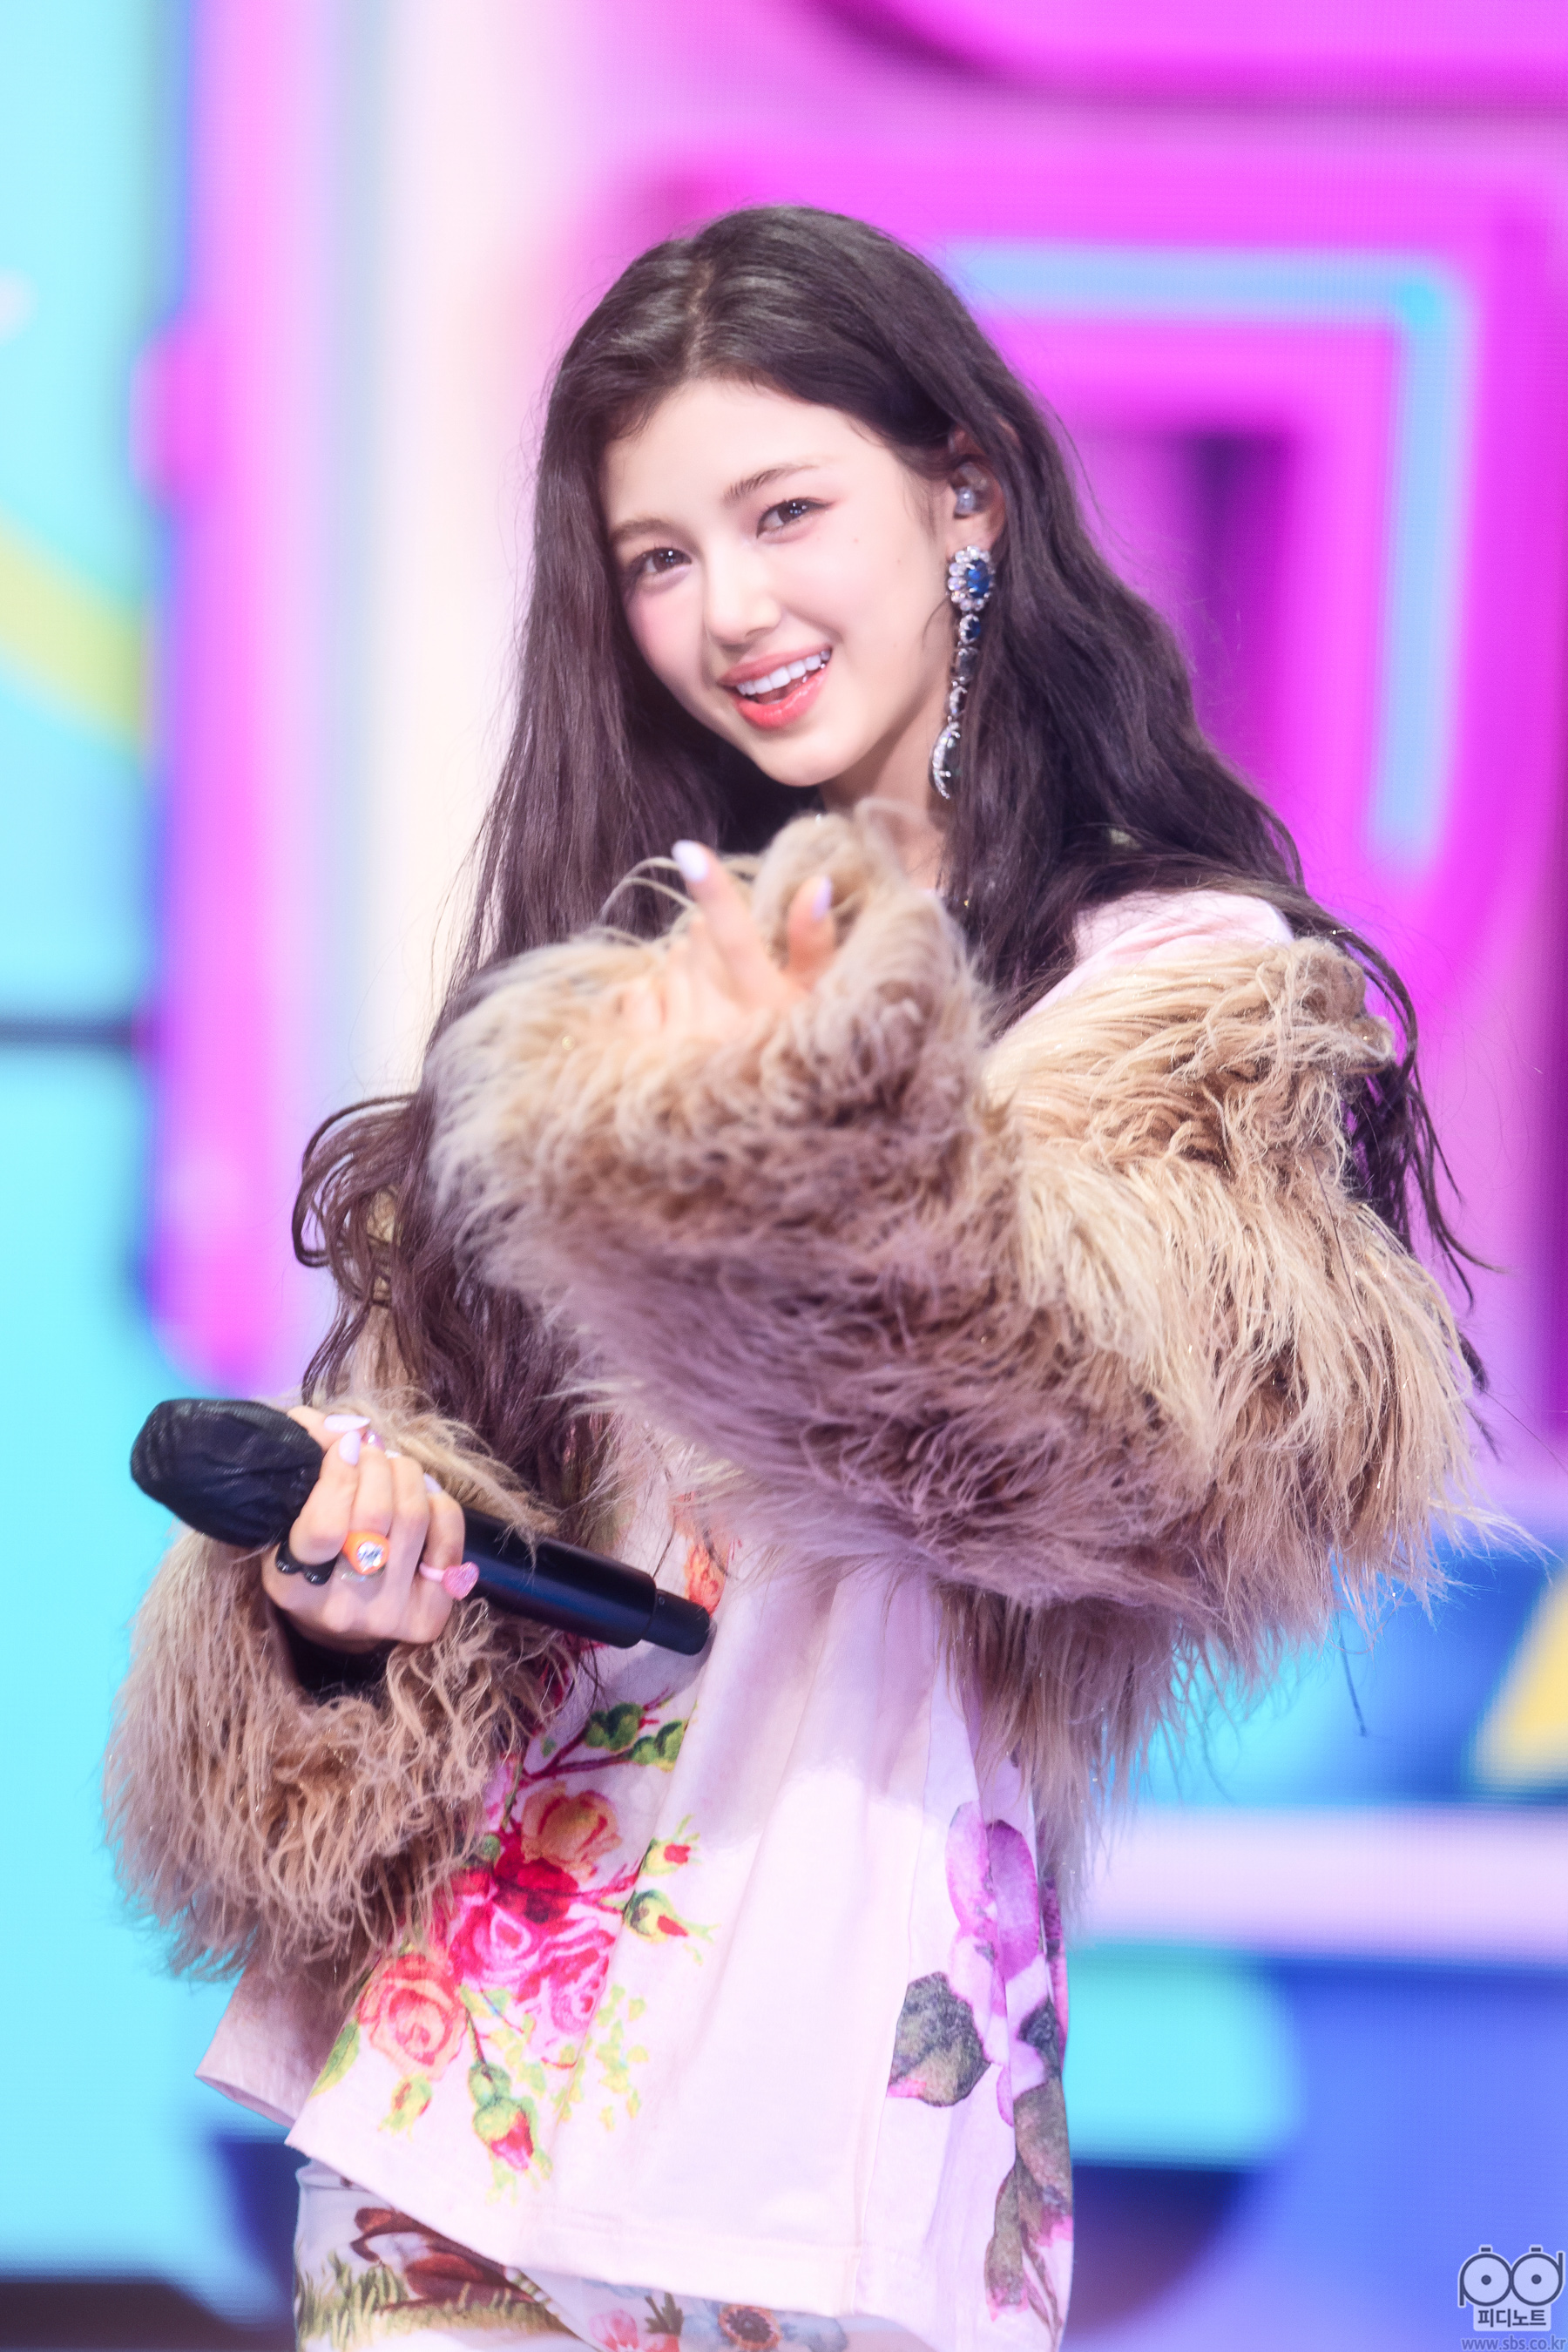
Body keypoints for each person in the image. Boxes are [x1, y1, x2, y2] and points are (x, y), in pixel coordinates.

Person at [107, 206, 1474, 2352]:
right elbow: (453, 1519)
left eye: (782, 513)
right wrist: (342, 1594)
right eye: (658, 557)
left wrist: (815, 1141)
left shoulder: (1178, 993)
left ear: (964, 496)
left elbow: (1097, 1449)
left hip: (845, 2115)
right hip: (467, 2087)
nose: (727, 610)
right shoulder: (607, 977)